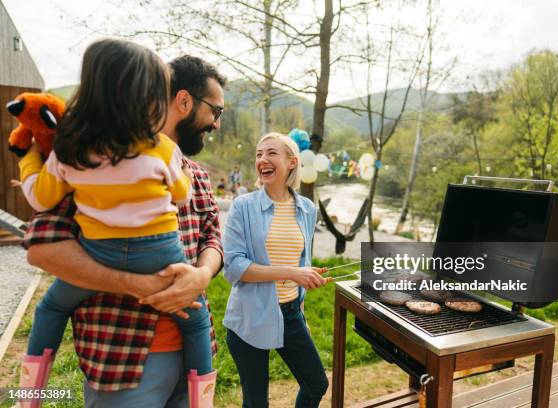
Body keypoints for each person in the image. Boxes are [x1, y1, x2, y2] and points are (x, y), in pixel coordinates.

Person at [22, 53, 225, 408]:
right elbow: (41, 249)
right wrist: (135, 284)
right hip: (123, 362)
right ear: (183, 101)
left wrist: (203, 274)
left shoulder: (197, 173)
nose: (217, 124)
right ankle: (29, 397)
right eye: (216, 111)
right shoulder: (92, 160)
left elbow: (212, 235)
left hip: (194, 354)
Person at [223, 133, 329, 407]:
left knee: (316, 384)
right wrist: (292, 273)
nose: (262, 160)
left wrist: (305, 277)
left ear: (292, 162)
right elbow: (234, 267)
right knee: (257, 402)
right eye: (259, 154)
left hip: (291, 315)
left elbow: (299, 261)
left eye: (271, 153)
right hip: (250, 315)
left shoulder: (307, 209)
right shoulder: (243, 206)